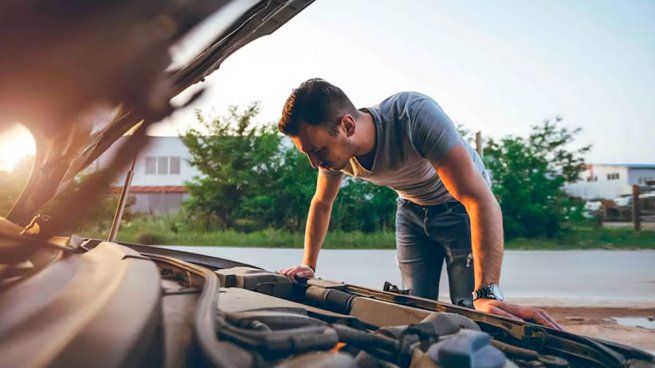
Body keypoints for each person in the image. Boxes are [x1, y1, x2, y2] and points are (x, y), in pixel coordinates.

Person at [277, 78, 561, 329]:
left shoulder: (413, 115)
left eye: (317, 151)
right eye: (308, 154)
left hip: (460, 208)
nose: (315, 162)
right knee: (414, 309)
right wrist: (308, 265)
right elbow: (322, 202)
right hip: (410, 210)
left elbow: (480, 199)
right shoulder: (333, 154)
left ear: (347, 125)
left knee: (469, 311)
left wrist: (487, 292)